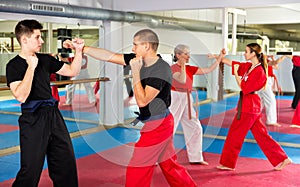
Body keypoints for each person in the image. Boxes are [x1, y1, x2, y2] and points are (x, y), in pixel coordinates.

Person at [64, 29, 197, 187]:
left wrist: (134, 71)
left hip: (158, 125)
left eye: (135, 45)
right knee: (170, 166)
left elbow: (142, 101)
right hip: (161, 121)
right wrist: (82, 48)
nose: (132, 49)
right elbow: (110, 56)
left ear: (146, 46)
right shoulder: (139, 59)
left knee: (137, 168)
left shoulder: (160, 69)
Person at [5, 19, 84, 187]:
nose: (41, 41)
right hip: (33, 119)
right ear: (24, 40)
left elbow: (72, 71)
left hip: (53, 116)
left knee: (66, 161)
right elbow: (21, 96)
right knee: (31, 168)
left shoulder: (45, 60)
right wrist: (31, 68)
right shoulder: (13, 66)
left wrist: (79, 51)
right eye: (37, 37)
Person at [217, 43, 291, 171]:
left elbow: (244, 88)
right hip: (249, 105)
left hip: (249, 107)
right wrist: (219, 56)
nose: (244, 54)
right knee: (262, 136)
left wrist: (235, 75)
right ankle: (282, 158)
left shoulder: (259, 71)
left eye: (246, 51)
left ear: (253, 54)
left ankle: (228, 163)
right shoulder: (249, 66)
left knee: (235, 135)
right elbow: (231, 63)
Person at [170, 44, 225, 165]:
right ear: (178, 55)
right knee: (169, 128)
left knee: (196, 128)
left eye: (189, 53)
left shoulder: (190, 68)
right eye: (185, 53)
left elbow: (209, 69)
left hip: (187, 98)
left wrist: (220, 57)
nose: (188, 56)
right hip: (175, 97)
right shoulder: (172, 68)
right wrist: (183, 65)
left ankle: (196, 157)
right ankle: (159, 158)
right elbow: (182, 80)